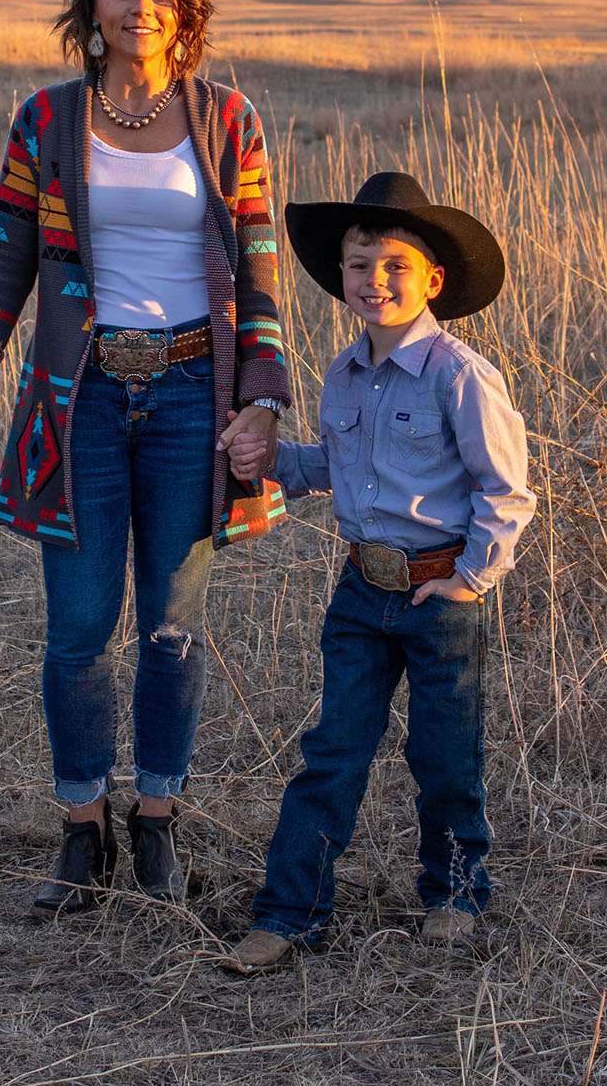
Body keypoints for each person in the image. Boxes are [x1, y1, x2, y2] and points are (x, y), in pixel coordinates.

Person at [0, 0, 292, 914]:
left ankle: (158, 822)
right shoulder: (47, 121)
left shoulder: (229, 120)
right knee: (77, 630)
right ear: (89, 2)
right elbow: (2, 260)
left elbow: (258, 269)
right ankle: (81, 831)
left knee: (174, 626)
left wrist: (260, 395)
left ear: (188, 6)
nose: (141, 8)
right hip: (78, 401)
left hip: (190, 396)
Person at [220, 171, 536, 971]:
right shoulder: (344, 373)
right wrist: (272, 460)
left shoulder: (459, 374)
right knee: (333, 750)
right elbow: (338, 462)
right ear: (342, 279)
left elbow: (507, 489)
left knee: (444, 756)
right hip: (362, 591)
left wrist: (470, 577)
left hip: (440, 594)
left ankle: (455, 891)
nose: (375, 281)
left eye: (395, 265)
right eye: (360, 266)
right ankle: (289, 912)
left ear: (432, 280)